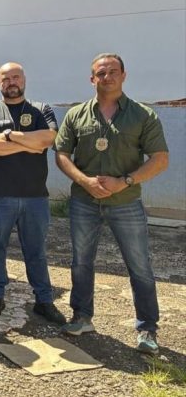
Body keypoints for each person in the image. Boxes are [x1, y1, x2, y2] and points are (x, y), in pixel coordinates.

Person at [54, 53, 169, 354]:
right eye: (100, 73)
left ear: (124, 75)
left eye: (113, 72)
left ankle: (147, 329)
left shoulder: (143, 115)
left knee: (139, 265)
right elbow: (62, 155)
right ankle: (81, 317)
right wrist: (84, 181)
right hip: (84, 201)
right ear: (92, 79)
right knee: (81, 262)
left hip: (126, 202)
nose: (107, 77)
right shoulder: (77, 114)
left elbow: (160, 159)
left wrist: (126, 181)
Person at [0, 62, 66, 324]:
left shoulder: (40, 109)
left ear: (24, 79)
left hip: (34, 195)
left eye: (16, 77)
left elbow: (49, 139)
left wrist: (12, 136)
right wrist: (29, 144)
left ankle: (44, 300)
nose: (11, 82)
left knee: (36, 250)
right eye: (6, 78)